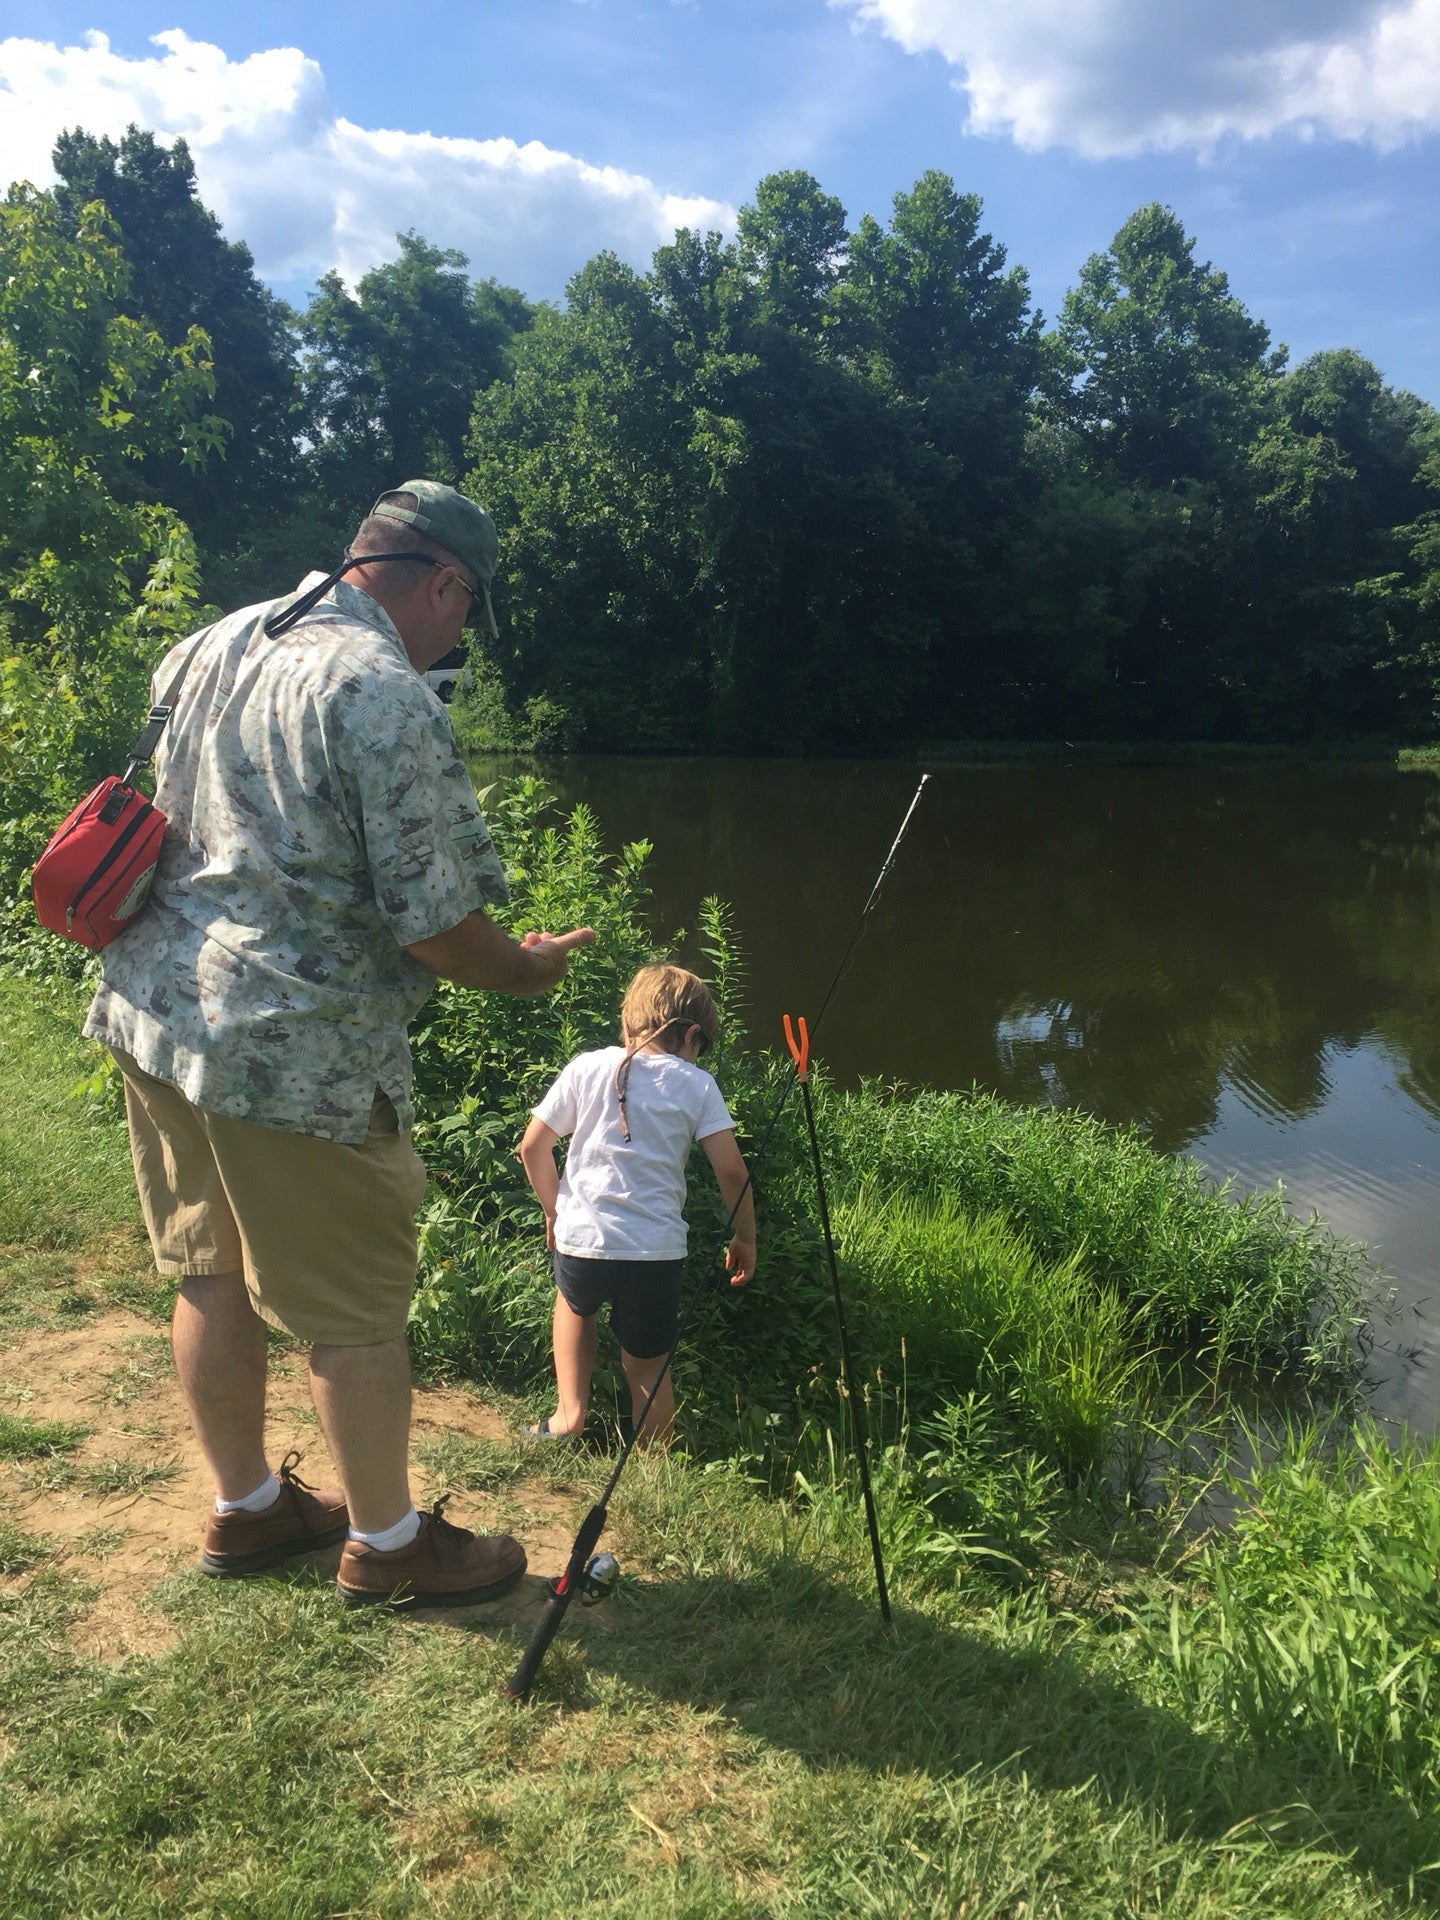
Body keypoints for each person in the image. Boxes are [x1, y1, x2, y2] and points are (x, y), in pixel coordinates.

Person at [84, 480, 594, 1609]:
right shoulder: (382, 690)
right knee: (354, 1312)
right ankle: (389, 1545)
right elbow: (438, 927)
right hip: (295, 1053)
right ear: (445, 583)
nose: (462, 636)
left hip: (155, 1010)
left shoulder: (215, 641)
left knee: (207, 1269)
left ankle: (249, 1507)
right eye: (469, 611)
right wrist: (527, 968)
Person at [518, 964, 756, 1447]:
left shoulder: (587, 1066)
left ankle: (568, 1419)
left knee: (573, 1307)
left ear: (629, 1020)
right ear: (690, 1035)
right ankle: (652, 1458)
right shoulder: (698, 1085)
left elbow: (532, 1147)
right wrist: (745, 1237)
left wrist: (554, 1211)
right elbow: (732, 1171)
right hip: (655, 1253)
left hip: (582, 1240)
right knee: (647, 1365)